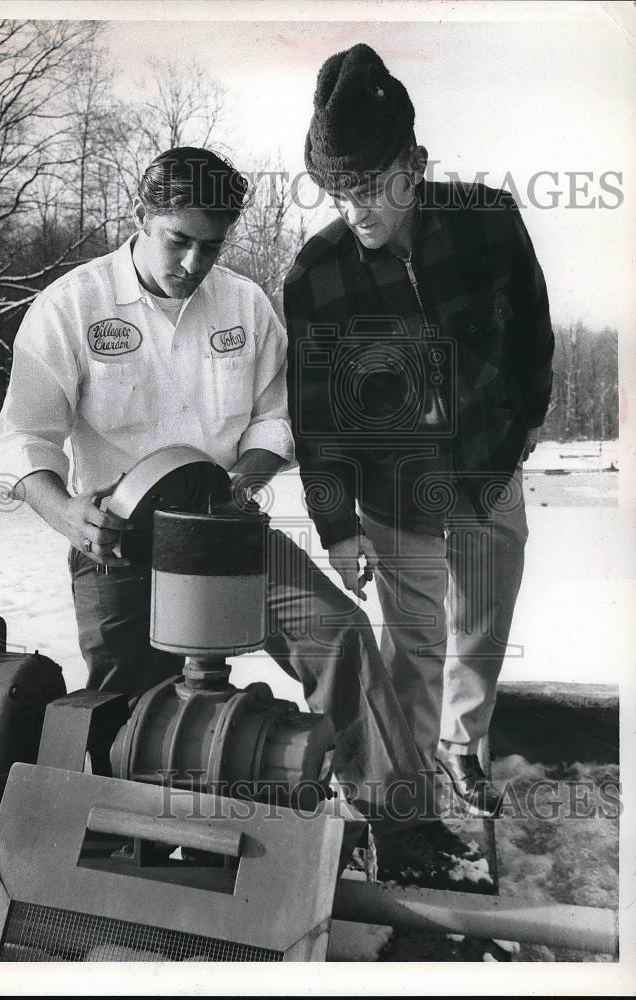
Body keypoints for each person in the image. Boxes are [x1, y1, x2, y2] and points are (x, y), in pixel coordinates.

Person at [0, 146, 484, 887]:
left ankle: (402, 826)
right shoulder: (71, 305)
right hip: (117, 539)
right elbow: (22, 436)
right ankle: (149, 877)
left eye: (211, 244)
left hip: (223, 527)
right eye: (179, 239)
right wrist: (66, 512)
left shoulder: (245, 305)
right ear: (141, 217)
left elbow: (276, 417)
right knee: (127, 722)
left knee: (341, 636)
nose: (194, 261)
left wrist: (250, 471)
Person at [285, 45, 554, 820]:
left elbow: (534, 335)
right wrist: (336, 524)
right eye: (338, 192)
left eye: (370, 186)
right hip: (393, 497)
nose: (355, 209)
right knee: (414, 651)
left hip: (489, 472)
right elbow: (318, 420)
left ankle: (465, 748)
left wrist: (527, 421)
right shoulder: (316, 277)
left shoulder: (491, 225)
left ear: (417, 161)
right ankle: (409, 795)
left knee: (482, 629)